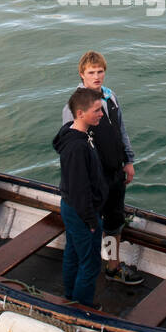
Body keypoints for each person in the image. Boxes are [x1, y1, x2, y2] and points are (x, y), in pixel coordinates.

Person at [60, 52, 141, 285]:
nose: (97, 76)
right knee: (88, 227)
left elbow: (120, 130)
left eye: (100, 71)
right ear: (81, 74)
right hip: (93, 180)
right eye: (91, 72)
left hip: (115, 173)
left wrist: (128, 161)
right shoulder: (73, 106)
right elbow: (71, 147)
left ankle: (113, 267)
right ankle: (80, 276)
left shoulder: (110, 96)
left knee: (114, 222)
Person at [53, 87, 108, 307]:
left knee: (73, 253)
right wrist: (90, 220)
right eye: (96, 110)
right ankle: (82, 307)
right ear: (80, 114)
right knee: (90, 262)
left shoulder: (72, 133)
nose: (101, 114)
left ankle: (70, 297)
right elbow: (79, 189)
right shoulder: (77, 147)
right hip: (81, 212)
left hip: (71, 208)